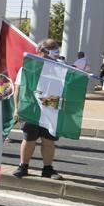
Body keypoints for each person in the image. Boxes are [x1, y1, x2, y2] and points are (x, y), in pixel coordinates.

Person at [12, 39, 65, 180]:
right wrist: (16, 108)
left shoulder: (61, 68)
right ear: (41, 51)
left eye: (56, 49)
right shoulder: (28, 68)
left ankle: (48, 169)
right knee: (29, 139)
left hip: (51, 107)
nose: (55, 52)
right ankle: (23, 166)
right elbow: (19, 88)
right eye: (51, 49)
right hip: (32, 107)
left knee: (48, 140)